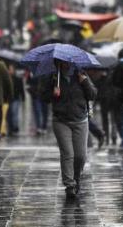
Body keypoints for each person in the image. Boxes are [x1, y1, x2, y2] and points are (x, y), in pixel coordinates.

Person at [40, 60, 97, 198]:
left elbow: (93, 95)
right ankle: (69, 185)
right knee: (68, 153)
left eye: (67, 62)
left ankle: (76, 178)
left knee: (80, 156)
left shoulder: (81, 74)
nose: (66, 65)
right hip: (61, 121)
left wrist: (85, 82)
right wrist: (53, 93)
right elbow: (43, 97)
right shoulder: (53, 77)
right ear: (57, 63)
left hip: (80, 120)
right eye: (62, 62)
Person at [7, 63, 25, 135]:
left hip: (16, 98)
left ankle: (15, 127)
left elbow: (21, 89)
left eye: (11, 69)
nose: (10, 71)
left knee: (14, 113)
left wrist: (23, 97)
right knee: (9, 114)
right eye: (9, 69)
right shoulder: (7, 78)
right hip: (8, 99)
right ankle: (11, 128)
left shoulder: (17, 79)